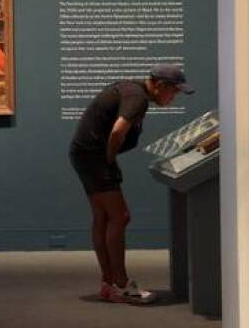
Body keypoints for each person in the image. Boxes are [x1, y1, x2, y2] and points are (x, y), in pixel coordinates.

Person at [69, 64, 194, 304]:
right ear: (160, 85)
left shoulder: (131, 89)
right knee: (120, 217)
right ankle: (121, 284)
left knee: (103, 217)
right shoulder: (138, 99)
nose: (174, 98)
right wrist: (109, 159)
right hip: (95, 157)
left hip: (84, 154)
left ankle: (109, 284)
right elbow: (118, 131)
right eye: (174, 91)